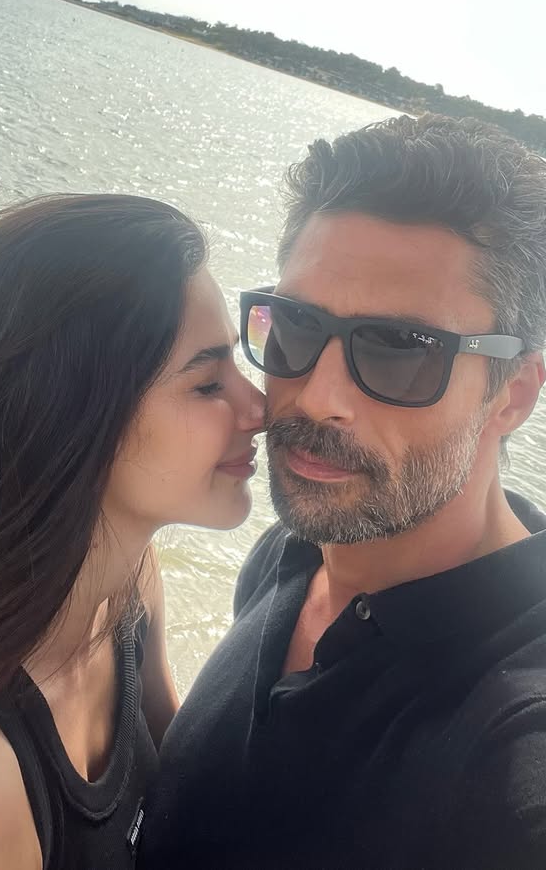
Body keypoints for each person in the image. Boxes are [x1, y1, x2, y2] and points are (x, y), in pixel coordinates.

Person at [141, 114, 546, 870]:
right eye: (296, 325)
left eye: (399, 349)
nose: (317, 397)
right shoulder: (295, 554)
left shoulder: (512, 738)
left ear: (513, 394)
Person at [0, 193, 264, 870]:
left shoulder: (129, 588)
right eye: (207, 383)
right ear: (75, 415)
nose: (259, 408)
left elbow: (181, 801)